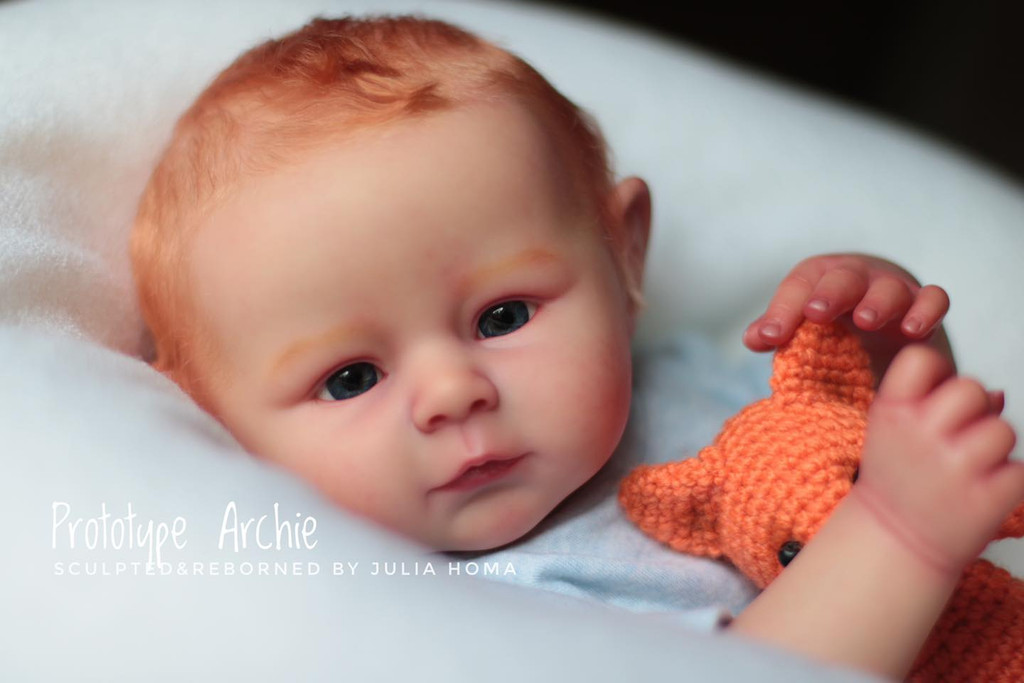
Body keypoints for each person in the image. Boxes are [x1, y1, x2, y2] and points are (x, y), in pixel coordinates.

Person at [130, 15, 1021, 680]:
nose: (451, 392)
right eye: (351, 376)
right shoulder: (464, 618)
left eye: (504, 316)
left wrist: (891, 342)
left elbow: (861, 445)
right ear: (218, 425)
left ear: (622, 259)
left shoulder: (683, 381)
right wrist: (902, 533)